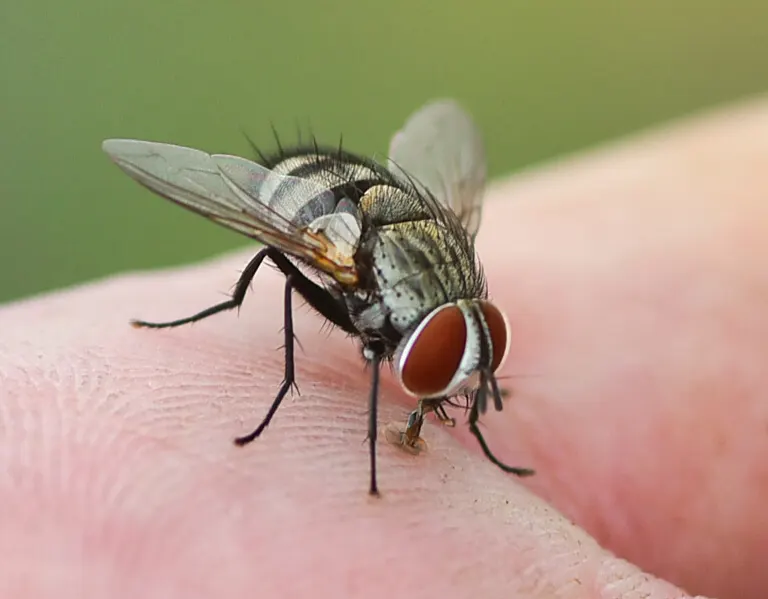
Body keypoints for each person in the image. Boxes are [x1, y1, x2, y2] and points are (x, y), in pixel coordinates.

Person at [2, 96, 767, 599]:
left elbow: (447, 319)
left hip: (385, 212)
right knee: (279, 256)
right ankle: (279, 389)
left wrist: (459, 383)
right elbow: (310, 274)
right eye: (463, 355)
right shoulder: (353, 280)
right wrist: (362, 446)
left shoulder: (450, 282)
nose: (472, 371)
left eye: (477, 347)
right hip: (316, 208)